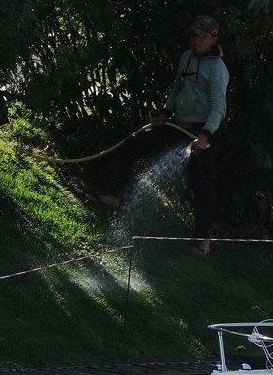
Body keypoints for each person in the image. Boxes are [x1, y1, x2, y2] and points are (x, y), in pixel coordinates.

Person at [87, 15, 229, 256]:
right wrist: (165, 113)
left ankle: (203, 240)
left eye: (201, 37)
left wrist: (204, 136)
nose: (195, 40)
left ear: (213, 39)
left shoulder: (218, 70)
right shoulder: (186, 57)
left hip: (201, 134)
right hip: (177, 126)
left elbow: (219, 108)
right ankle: (115, 196)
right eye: (193, 35)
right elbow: (177, 88)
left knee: (202, 185)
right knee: (134, 145)